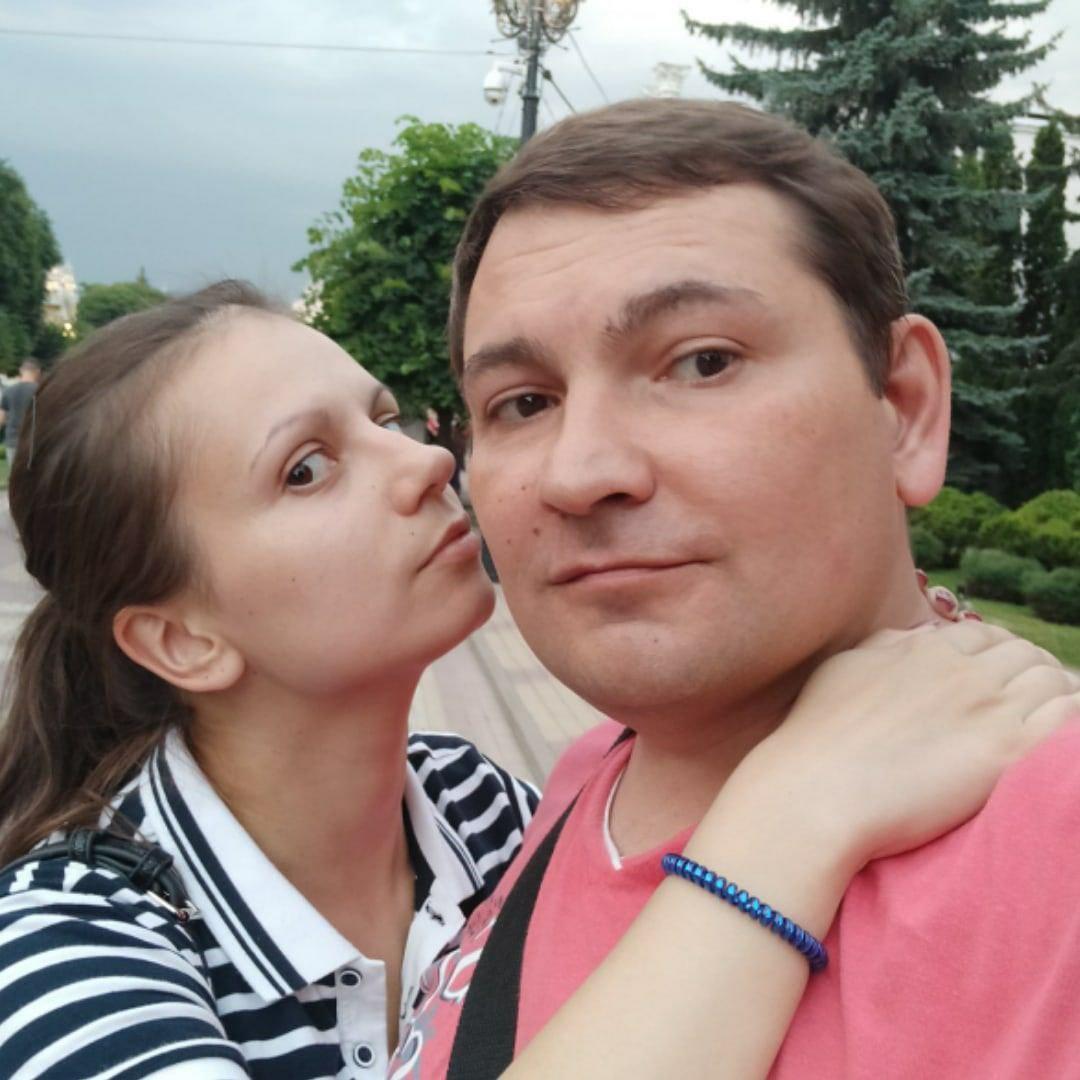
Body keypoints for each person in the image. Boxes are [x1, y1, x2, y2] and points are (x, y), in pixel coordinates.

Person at [0, 283, 1067, 1080]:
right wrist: (797, 814)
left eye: (384, 417)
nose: (426, 462)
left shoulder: (485, 810)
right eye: (307, 469)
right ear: (181, 641)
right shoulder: (59, 956)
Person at [391, 98, 1080, 1079]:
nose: (580, 472)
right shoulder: (594, 771)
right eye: (524, 403)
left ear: (905, 409)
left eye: (702, 362)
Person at [0, 359, 40, 456]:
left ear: (21, 370)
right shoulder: (41, 390)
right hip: (35, 441)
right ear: (38, 371)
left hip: (12, 440)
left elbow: (1, 418)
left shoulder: (8, 391)